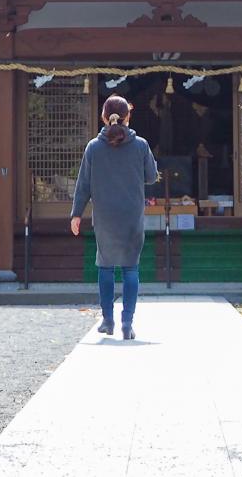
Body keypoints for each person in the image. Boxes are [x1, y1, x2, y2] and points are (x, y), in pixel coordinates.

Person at [70, 94, 158, 340]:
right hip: (131, 215)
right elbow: (151, 176)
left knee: (105, 267)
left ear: (104, 117)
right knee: (131, 268)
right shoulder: (140, 145)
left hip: (105, 216)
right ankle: (127, 323)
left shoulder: (94, 147)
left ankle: (107, 321)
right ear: (128, 116)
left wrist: (76, 214)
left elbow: (83, 185)